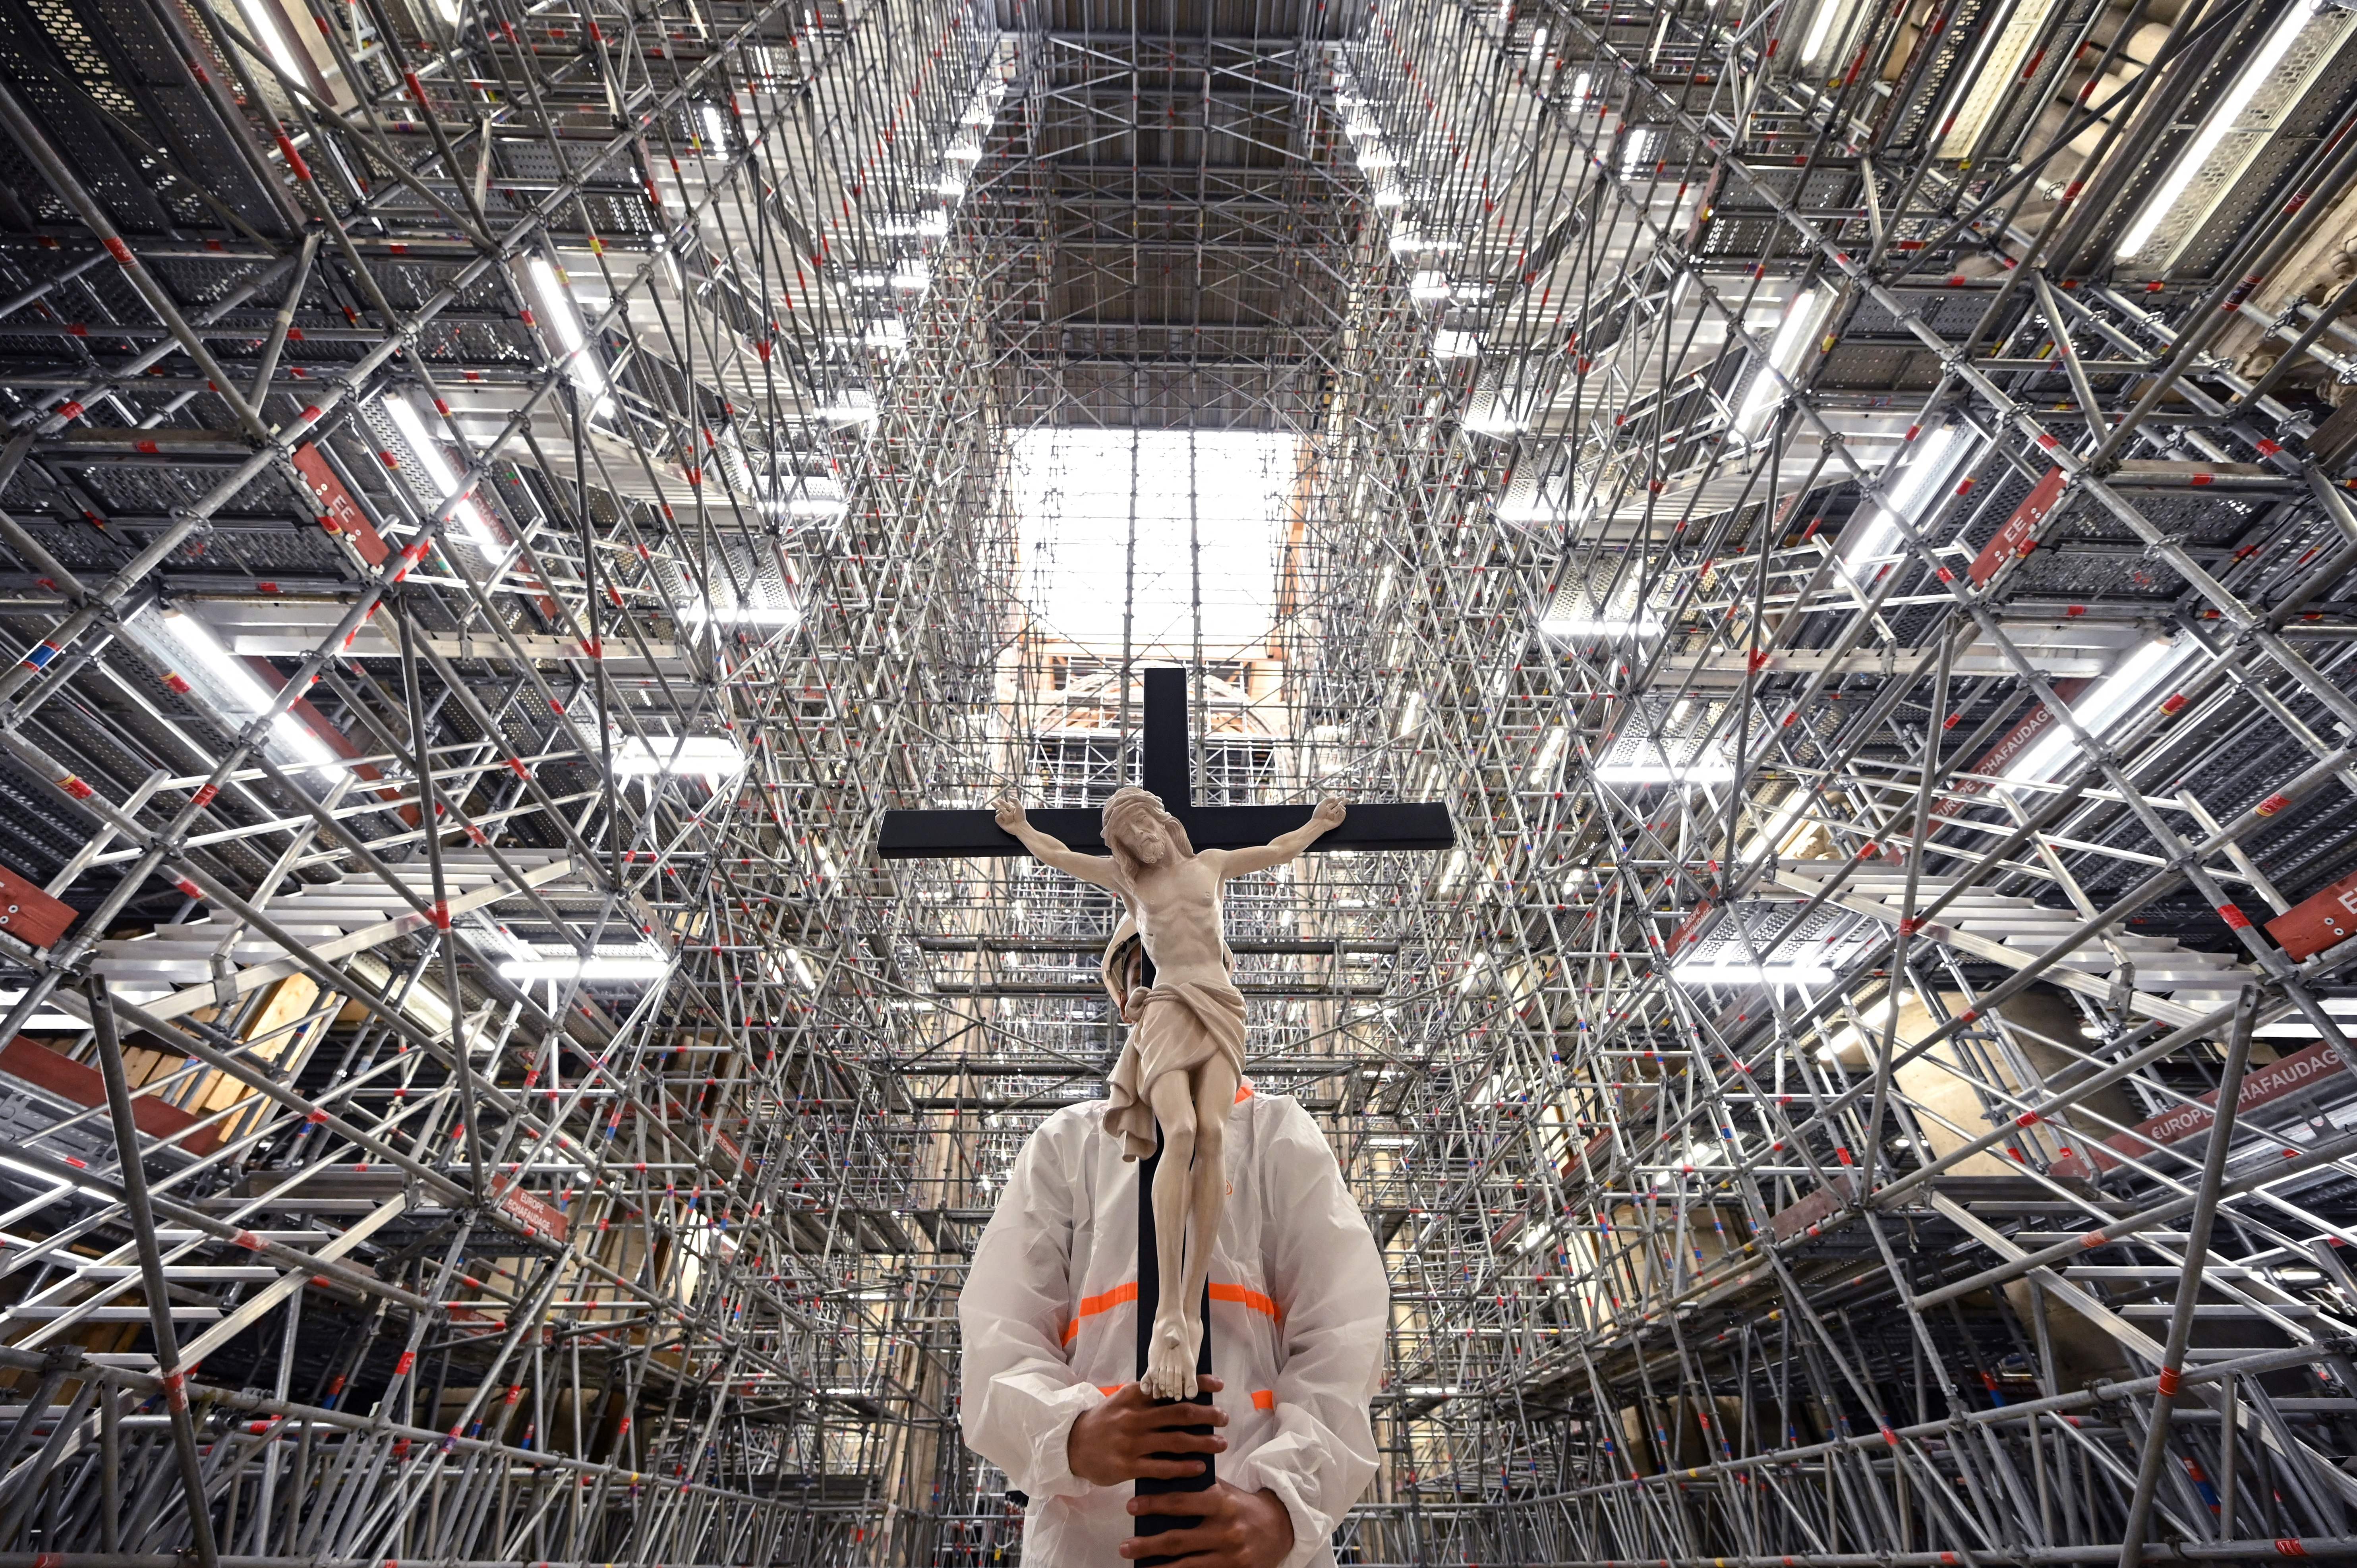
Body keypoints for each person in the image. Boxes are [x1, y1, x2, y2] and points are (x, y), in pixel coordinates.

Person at [960, 789, 1388, 1566]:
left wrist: (1283, 1508)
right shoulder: (1065, 1147)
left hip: (1253, 1539)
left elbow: (1345, 1336)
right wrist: (1072, 1435)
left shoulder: (1279, 1136)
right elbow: (999, 1333)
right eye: (1143, 973)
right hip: (1092, 1538)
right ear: (1127, 999)